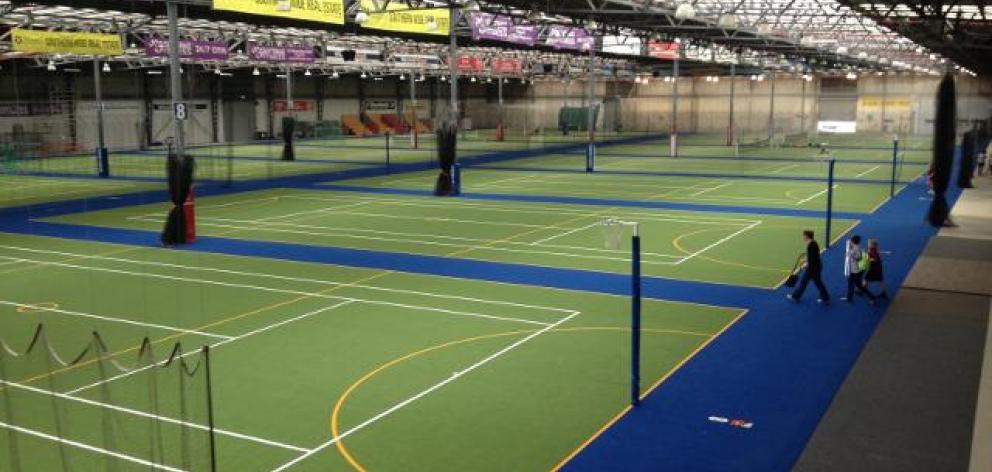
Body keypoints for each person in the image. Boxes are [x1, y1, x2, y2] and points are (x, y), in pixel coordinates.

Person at [786, 230, 830, 304]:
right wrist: (806, 259)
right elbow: (813, 256)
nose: (803, 237)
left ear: (807, 236)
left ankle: (795, 296)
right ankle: (825, 298)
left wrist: (805, 260)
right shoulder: (812, 243)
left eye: (803, 236)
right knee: (818, 282)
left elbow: (812, 257)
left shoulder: (811, 245)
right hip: (816, 266)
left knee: (804, 282)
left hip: (813, 268)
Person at [842, 235, 876, 304]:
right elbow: (849, 243)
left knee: (855, 284)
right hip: (854, 269)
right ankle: (850, 297)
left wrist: (851, 255)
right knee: (854, 284)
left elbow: (859, 258)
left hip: (854, 270)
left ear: (853, 241)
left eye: (851, 240)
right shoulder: (855, 246)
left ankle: (871, 297)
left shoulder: (855, 249)